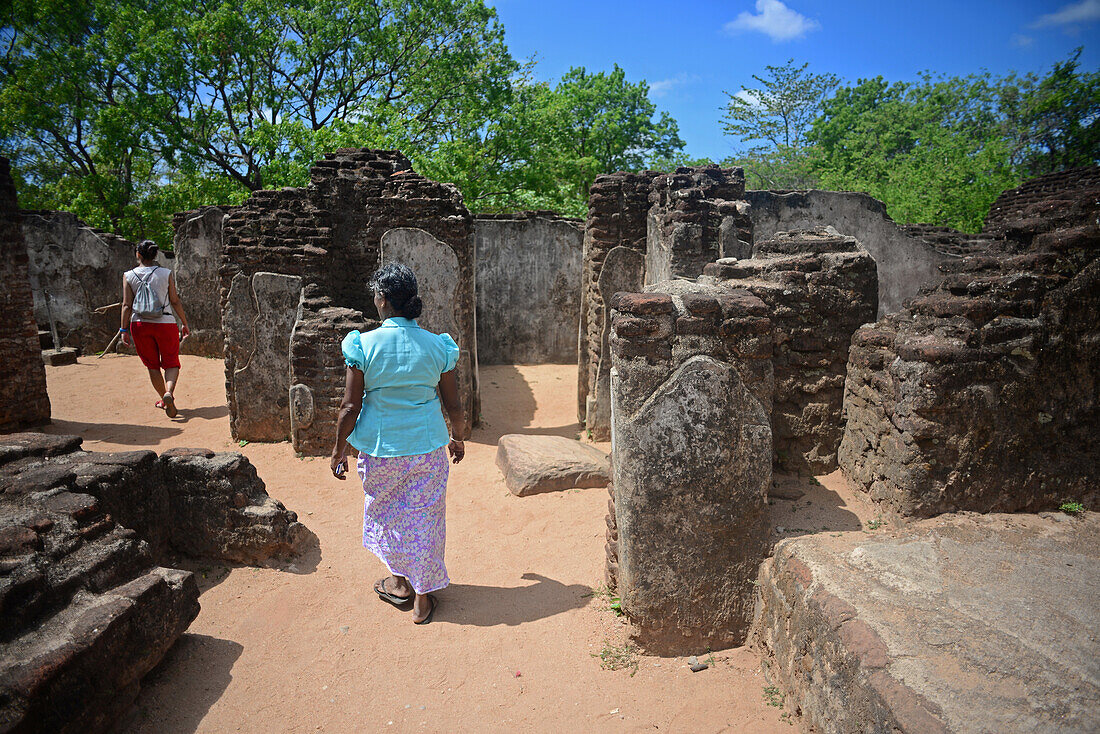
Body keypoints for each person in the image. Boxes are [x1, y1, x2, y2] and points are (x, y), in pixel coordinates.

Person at [330, 262, 466, 625]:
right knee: (425, 519)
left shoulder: (363, 345)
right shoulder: (438, 346)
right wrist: (457, 437)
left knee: (389, 513)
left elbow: (350, 405)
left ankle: (400, 584)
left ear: (384, 300)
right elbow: (453, 403)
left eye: (376, 293)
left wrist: (339, 449)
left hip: (379, 450)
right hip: (427, 448)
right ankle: (423, 600)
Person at [119, 240, 191, 418]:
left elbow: (126, 305)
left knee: (152, 365)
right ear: (155, 255)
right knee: (171, 362)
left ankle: (164, 399)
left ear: (138, 254)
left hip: (140, 324)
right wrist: (184, 322)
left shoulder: (129, 275)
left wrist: (124, 330)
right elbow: (175, 300)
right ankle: (169, 392)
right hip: (165, 323)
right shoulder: (165, 273)